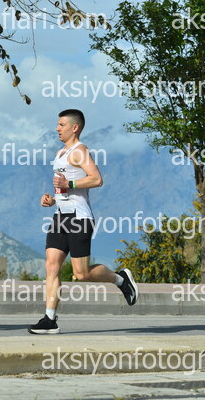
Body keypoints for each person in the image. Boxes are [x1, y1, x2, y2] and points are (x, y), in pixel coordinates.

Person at [28, 109, 138, 334]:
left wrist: (69, 184)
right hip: (60, 216)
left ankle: (120, 279)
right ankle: (50, 320)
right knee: (51, 265)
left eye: (61, 125)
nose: (57, 129)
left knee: (81, 274)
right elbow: (63, 187)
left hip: (79, 218)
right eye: (57, 125)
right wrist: (52, 200)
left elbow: (97, 179)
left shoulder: (80, 151)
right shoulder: (60, 153)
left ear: (74, 127)